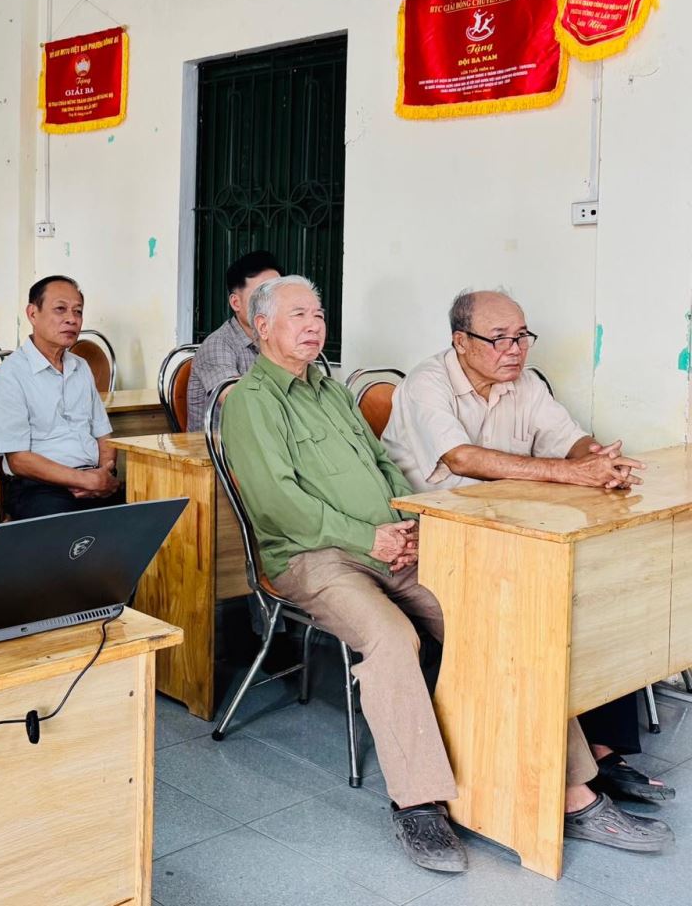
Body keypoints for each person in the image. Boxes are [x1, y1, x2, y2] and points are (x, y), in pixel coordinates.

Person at [223, 276, 669, 873]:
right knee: (393, 638)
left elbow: (384, 464)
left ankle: (573, 791)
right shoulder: (250, 401)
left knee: (497, 619)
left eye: (319, 314)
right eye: (298, 314)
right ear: (262, 327)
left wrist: (407, 524)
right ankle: (418, 802)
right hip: (313, 556)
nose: (314, 325)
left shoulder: (329, 392)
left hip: (390, 542)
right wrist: (370, 537)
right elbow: (277, 503)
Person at [384, 289, 664, 805]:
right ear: (461, 341)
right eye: (499, 338)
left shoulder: (526, 383)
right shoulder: (427, 383)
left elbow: (567, 438)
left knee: (599, 588)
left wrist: (596, 459)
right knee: (547, 607)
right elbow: (462, 458)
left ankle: (604, 751)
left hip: (509, 527)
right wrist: (571, 473)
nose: (514, 349)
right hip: (434, 536)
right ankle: (546, 762)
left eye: (521, 337)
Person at [0, 275, 121, 520]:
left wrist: (104, 474)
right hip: (39, 487)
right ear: (32, 314)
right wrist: (84, 480)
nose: (71, 319)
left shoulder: (81, 367)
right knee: (73, 529)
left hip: (92, 477)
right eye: (60, 309)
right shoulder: (8, 377)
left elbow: (103, 435)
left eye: (78, 311)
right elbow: (19, 461)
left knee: (148, 517)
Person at [186, 250, 281, 431]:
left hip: (272, 438)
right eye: (261, 296)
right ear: (236, 303)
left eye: (277, 296)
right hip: (220, 446)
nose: (272, 305)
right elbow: (242, 405)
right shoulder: (217, 346)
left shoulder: (282, 338)